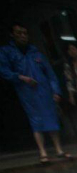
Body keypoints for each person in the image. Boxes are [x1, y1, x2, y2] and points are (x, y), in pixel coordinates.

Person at [0, 22, 71, 164]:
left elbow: (50, 74)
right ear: (12, 35)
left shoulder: (36, 52)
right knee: (35, 120)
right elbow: (4, 71)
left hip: (44, 90)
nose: (22, 36)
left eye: (25, 33)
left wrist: (56, 91)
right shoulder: (7, 52)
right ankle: (43, 152)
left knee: (51, 118)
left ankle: (59, 149)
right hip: (26, 91)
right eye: (19, 33)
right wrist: (20, 78)